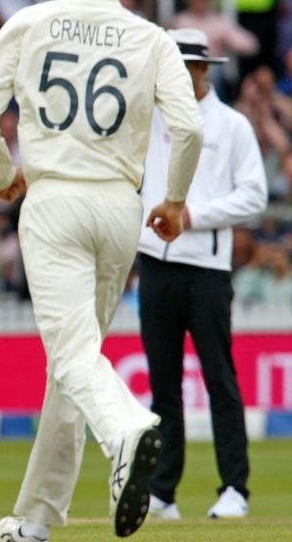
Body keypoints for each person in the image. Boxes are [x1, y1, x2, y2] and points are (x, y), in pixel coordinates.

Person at [0, 0, 204, 541]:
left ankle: (126, 426)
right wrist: (174, 202)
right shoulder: (151, 37)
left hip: (53, 200)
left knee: (72, 356)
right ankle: (37, 519)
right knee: (71, 363)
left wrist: (2, 175)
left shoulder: (28, 22)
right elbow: (192, 128)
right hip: (120, 209)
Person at [139, 29, 268, 521]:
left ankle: (234, 487)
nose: (174, 78)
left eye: (184, 68)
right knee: (163, 386)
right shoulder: (148, 120)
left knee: (220, 380)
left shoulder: (232, 126)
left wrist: (193, 216)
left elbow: (253, 196)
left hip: (207, 270)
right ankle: (164, 493)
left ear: (201, 70)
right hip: (156, 266)